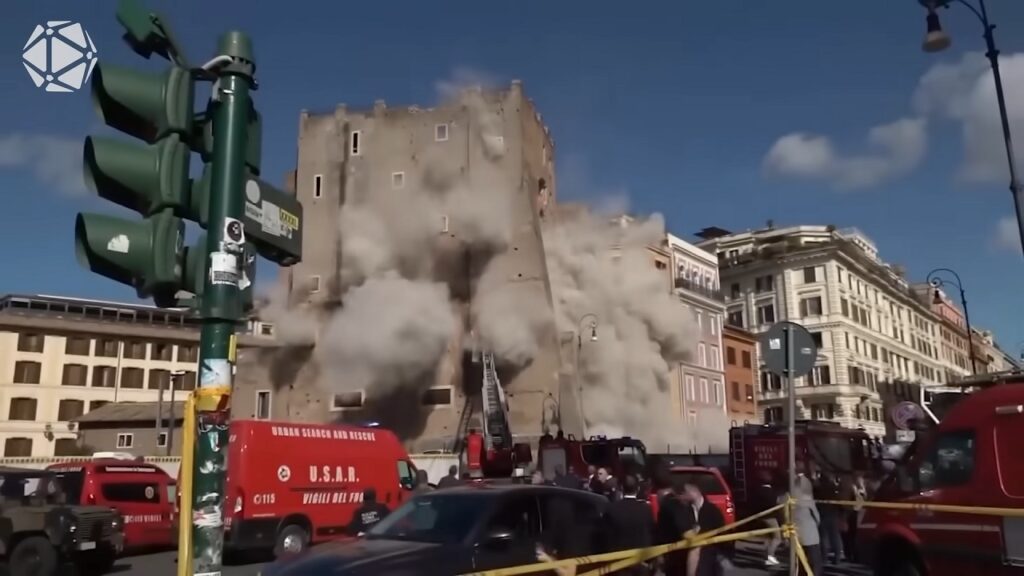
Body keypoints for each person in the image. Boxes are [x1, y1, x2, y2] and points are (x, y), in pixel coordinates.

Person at [602, 474, 656, 575]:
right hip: (641, 562)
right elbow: (651, 533)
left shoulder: (612, 509)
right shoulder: (646, 510)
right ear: (638, 488)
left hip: (619, 563)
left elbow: (606, 536)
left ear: (621, 488)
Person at [789, 474, 824, 576]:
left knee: (800, 563)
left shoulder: (789, 496)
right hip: (811, 535)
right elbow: (816, 516)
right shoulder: (807, 498)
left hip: (796, 535)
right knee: (814, 564)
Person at [752, 470, 782, 567]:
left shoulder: (757, 491)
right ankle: (770, 556)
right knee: (777, 538)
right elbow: (776, 504)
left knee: (769, 537)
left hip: (762, 517)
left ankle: (767, 555)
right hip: (770, 518)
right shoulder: (770, 492)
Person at [814, 472, 844, 564]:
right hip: (833, 514)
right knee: (835, 536)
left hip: (822, 514)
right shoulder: (834, 488)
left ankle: (824, 557)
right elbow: (839, 501)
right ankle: (837, 556)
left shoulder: (817, 489)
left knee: (823, 537)